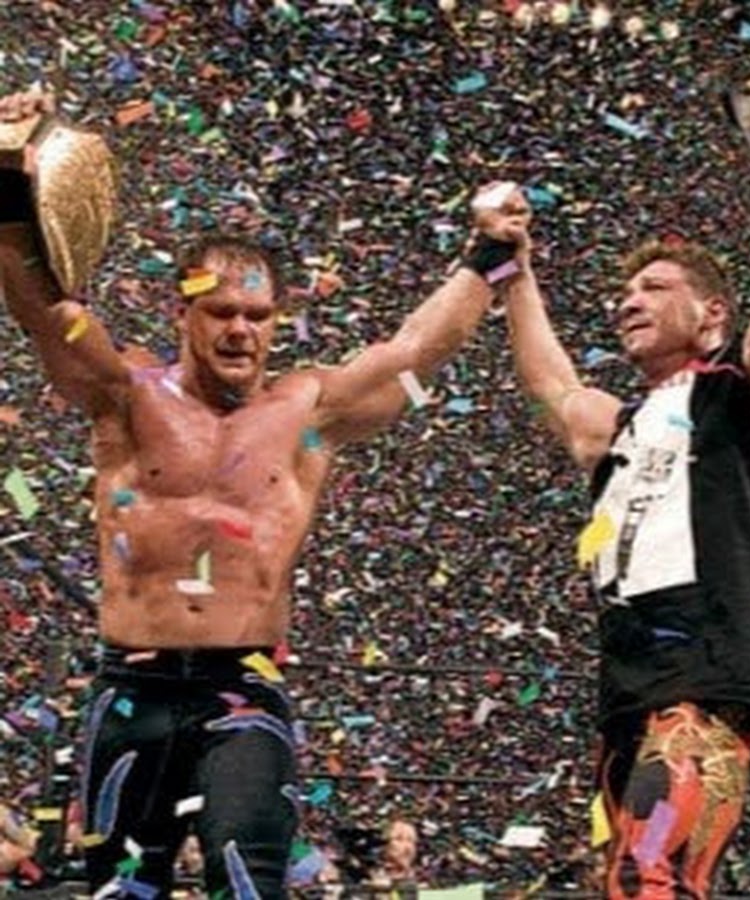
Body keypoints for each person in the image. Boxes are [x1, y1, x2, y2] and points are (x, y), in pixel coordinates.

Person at [0, 88, 530, 899]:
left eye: (257, 314)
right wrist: (7, 169)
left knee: (249, 877)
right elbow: (42, 310)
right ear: (184, 313)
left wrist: (490, 250)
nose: (240, 330)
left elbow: (416, 350)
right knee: (119, 891)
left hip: (243, 688)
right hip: (132, 687)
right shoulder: (125, 396)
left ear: (279, 319)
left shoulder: (308, 409)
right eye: (220, 312)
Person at [500, 150, 750, 900]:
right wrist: (512, 268)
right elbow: (552, 386)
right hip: (629, 691)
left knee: (650, 873)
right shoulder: (621, 429)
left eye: (654, 289)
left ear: (711, 314)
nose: (629, 302)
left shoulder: (745, 401)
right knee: (633, 880)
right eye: (626, 292)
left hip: (711, 680)